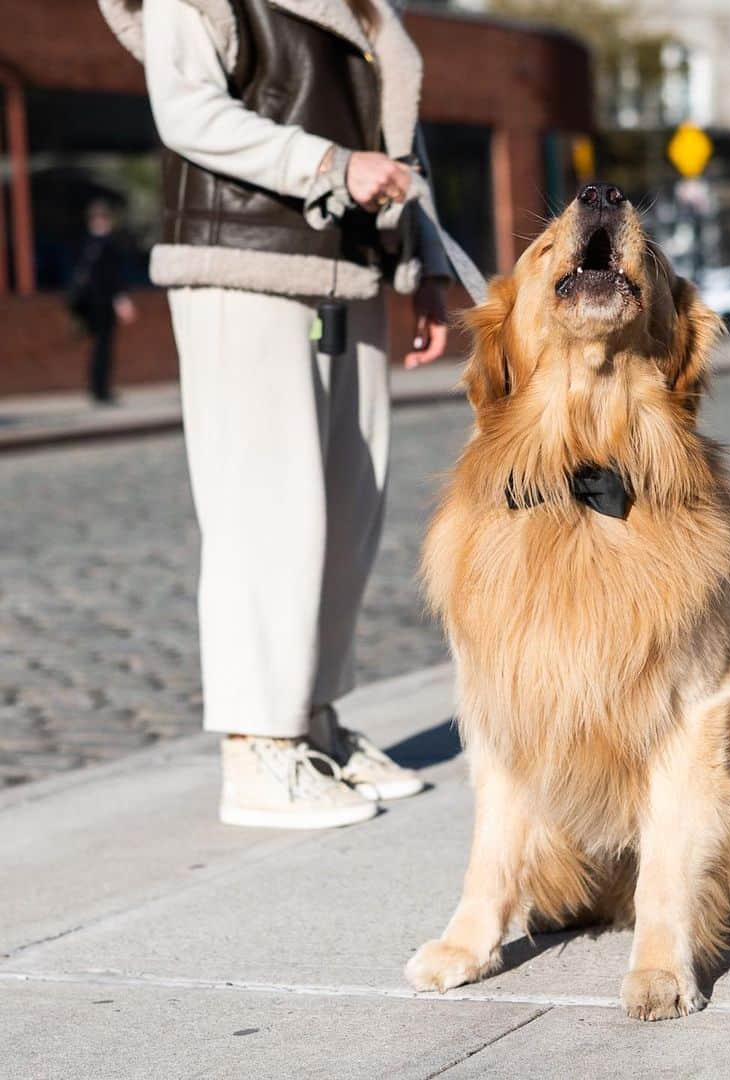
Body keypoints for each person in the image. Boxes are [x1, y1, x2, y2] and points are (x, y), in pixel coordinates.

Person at [99, 0, 455, 829]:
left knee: (345, 511)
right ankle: (255, 746)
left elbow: (397, 133)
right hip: (243, 261)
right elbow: (185, 110)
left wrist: (424, 264)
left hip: (351, 269)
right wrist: (328, 164)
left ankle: (311, 723)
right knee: (266, 512)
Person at [68, 199, 137, 404]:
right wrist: (122, 300)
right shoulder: (108, 244)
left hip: (89, 303)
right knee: (103, 346)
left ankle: (98, 387)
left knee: (99, 346)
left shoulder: (84, 242)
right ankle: (100, 389)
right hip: (101, 303)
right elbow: (114, 277)